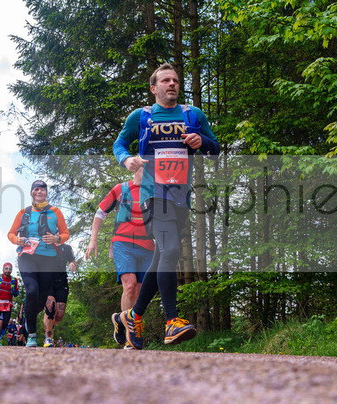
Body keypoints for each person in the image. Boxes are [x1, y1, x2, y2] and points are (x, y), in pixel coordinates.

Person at [112, 63, 220, 350]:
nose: (172, 83)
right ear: (154, 88)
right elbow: (119, 143)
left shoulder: (193, 115)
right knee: (171, 250)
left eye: (175, 80)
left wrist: (201, 141)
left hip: (180, 198)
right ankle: (172, 321)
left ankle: (131, 316)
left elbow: (215, 150)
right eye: (165, 80)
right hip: (152, 195)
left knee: (161, 257)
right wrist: (126, 159)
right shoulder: (142, 116)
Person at [85, 167, 155, 346]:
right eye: (145, 168)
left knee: (141, 292)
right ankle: (132, 336)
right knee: (130, 286)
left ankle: (120, 319)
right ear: (135, 169)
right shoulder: (121, 189)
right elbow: (100, 213)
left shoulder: (154, 192)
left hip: (148, 246)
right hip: (122, 242)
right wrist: (93, 240)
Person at [8, 180, 70, 347]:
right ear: (31, 193)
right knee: (32, 290)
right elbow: (11, 233)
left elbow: (65, 234)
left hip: (48, 258)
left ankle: (27, 316)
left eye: (42, 189)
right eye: (36, 189)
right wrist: (17, 240)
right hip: (27, 256)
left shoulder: (55, 212)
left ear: (46, 193)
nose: (39, 192)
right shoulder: (24, 213)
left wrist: (56, 238)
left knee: (42, 299)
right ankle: (32, 335)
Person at [43, 243, 76, 347]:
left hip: (62, 282)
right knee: (50, 309)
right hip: (47, 281)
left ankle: (49, 327)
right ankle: (48, 338)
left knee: (59, 316)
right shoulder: (44, 245)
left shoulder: (67, 248)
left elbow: (72, 260)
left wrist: (72, 264)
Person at [0, 263, 19, 346]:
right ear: (3, 269)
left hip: (8, 303)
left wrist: (15, 293)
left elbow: (17, 291)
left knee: (5, 323)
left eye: (10, 269)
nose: (8, 271)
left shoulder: (14, 280)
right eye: (6, 268)